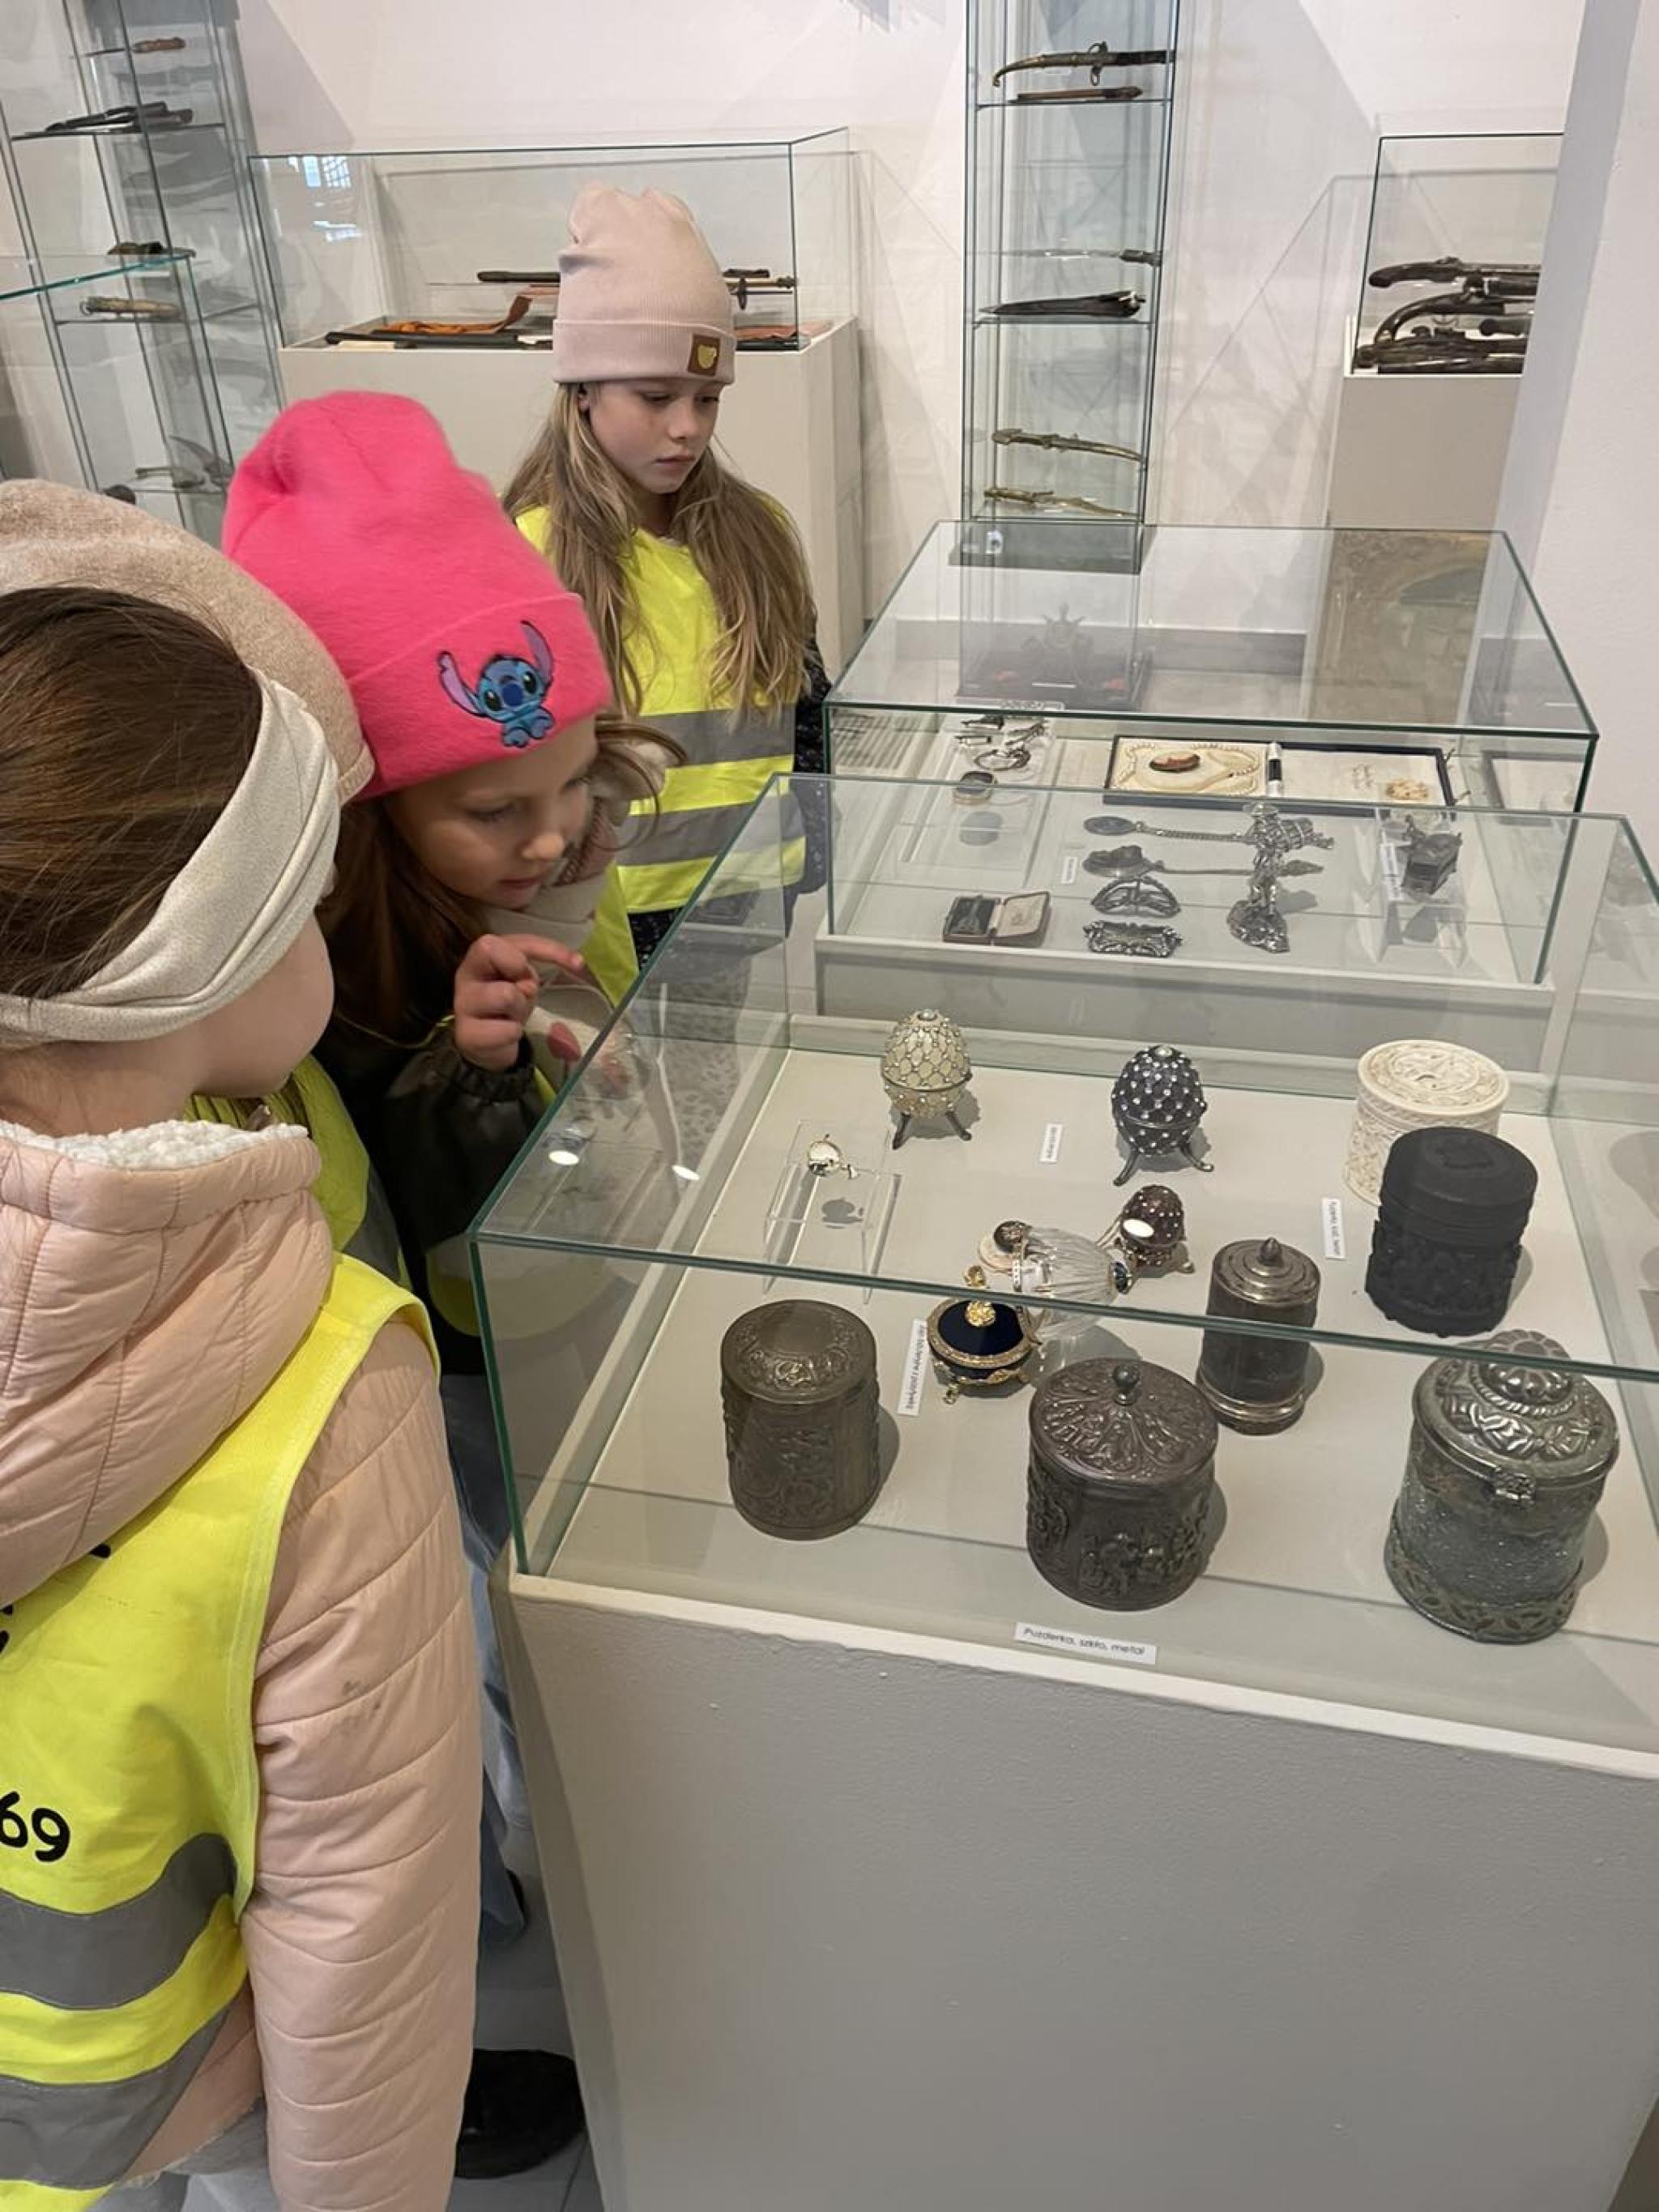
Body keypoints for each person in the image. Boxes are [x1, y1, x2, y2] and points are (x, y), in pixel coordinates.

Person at [0, 478, 586, 2184]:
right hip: (218, 2069)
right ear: (224, 952)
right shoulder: (327, 1387)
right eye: (309, 884)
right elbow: (357, 1917)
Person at [502, 182, 830, 965]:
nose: (687, 428)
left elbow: (807, 705)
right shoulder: (529, 551)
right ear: (583, 390)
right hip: (604, 908)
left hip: (746, 888)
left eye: (707, 399)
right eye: (655, 396)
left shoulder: (759, 534)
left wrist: (817, 838)